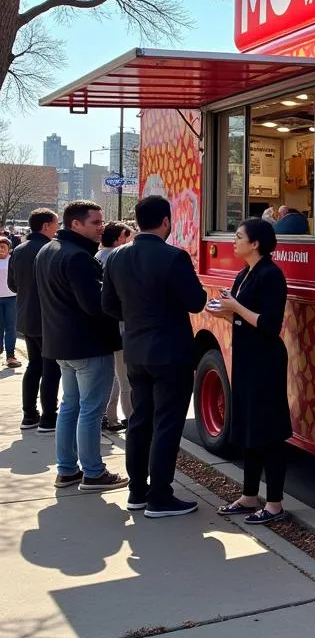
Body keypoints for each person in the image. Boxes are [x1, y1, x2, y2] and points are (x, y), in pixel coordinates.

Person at [102, 195, 207, 517]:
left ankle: (137, 491)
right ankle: (160, 495)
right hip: (170, 351)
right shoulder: (174, 257)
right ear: (166, 221)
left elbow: (107, 305)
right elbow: (196, 301)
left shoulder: (117, 257)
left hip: (136, 349)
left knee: (140, 420)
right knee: (167, 424)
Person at [35, 201, 127, 492]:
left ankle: (67, 470)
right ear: (75, 224)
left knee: (71, 407)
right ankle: (93, 472)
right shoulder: (77, 257)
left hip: (62, 344)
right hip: (88, 345)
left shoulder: (48, 250)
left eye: (101, 222)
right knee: (88, 409)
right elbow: (96, 305)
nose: (101, 227)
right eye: (95, 222)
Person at [212, 217, 291, 525]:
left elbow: (270, 325)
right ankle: (248, 496)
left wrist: (235, 308)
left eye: (239, 236)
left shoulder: (271, 275)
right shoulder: (245, 273)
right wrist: (224, 313)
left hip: (266, 360)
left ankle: (275, 504)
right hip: (246, 356)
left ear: (255, 243)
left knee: (269, 430)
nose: (234, 241)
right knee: (248, 427)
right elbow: (244, 320)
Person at [7, 208, 60, 430]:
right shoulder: (50, 250)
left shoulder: (19, 249)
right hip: (48, 318)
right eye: (56, 224)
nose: (58, 228)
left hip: (27, 316)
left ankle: (29, 414)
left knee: (34, 366)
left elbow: (12, 285)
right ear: (46, 225)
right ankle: (49, 417)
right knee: (50, 369)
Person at [97, 221, 133, 433]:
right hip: (119, 325)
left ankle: (109, 416)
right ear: (120, 238)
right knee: (124, 376)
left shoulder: (97, 256)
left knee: (112, 376)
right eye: (128, 237)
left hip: (103, 325)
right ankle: (128, 416)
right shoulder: (118, 258)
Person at [0, 237, 18, 367]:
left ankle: (10, 356)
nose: (1, 250)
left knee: (11, 328)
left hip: (12, 298)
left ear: (9, 249)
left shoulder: (13, 261)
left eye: (3, 247)